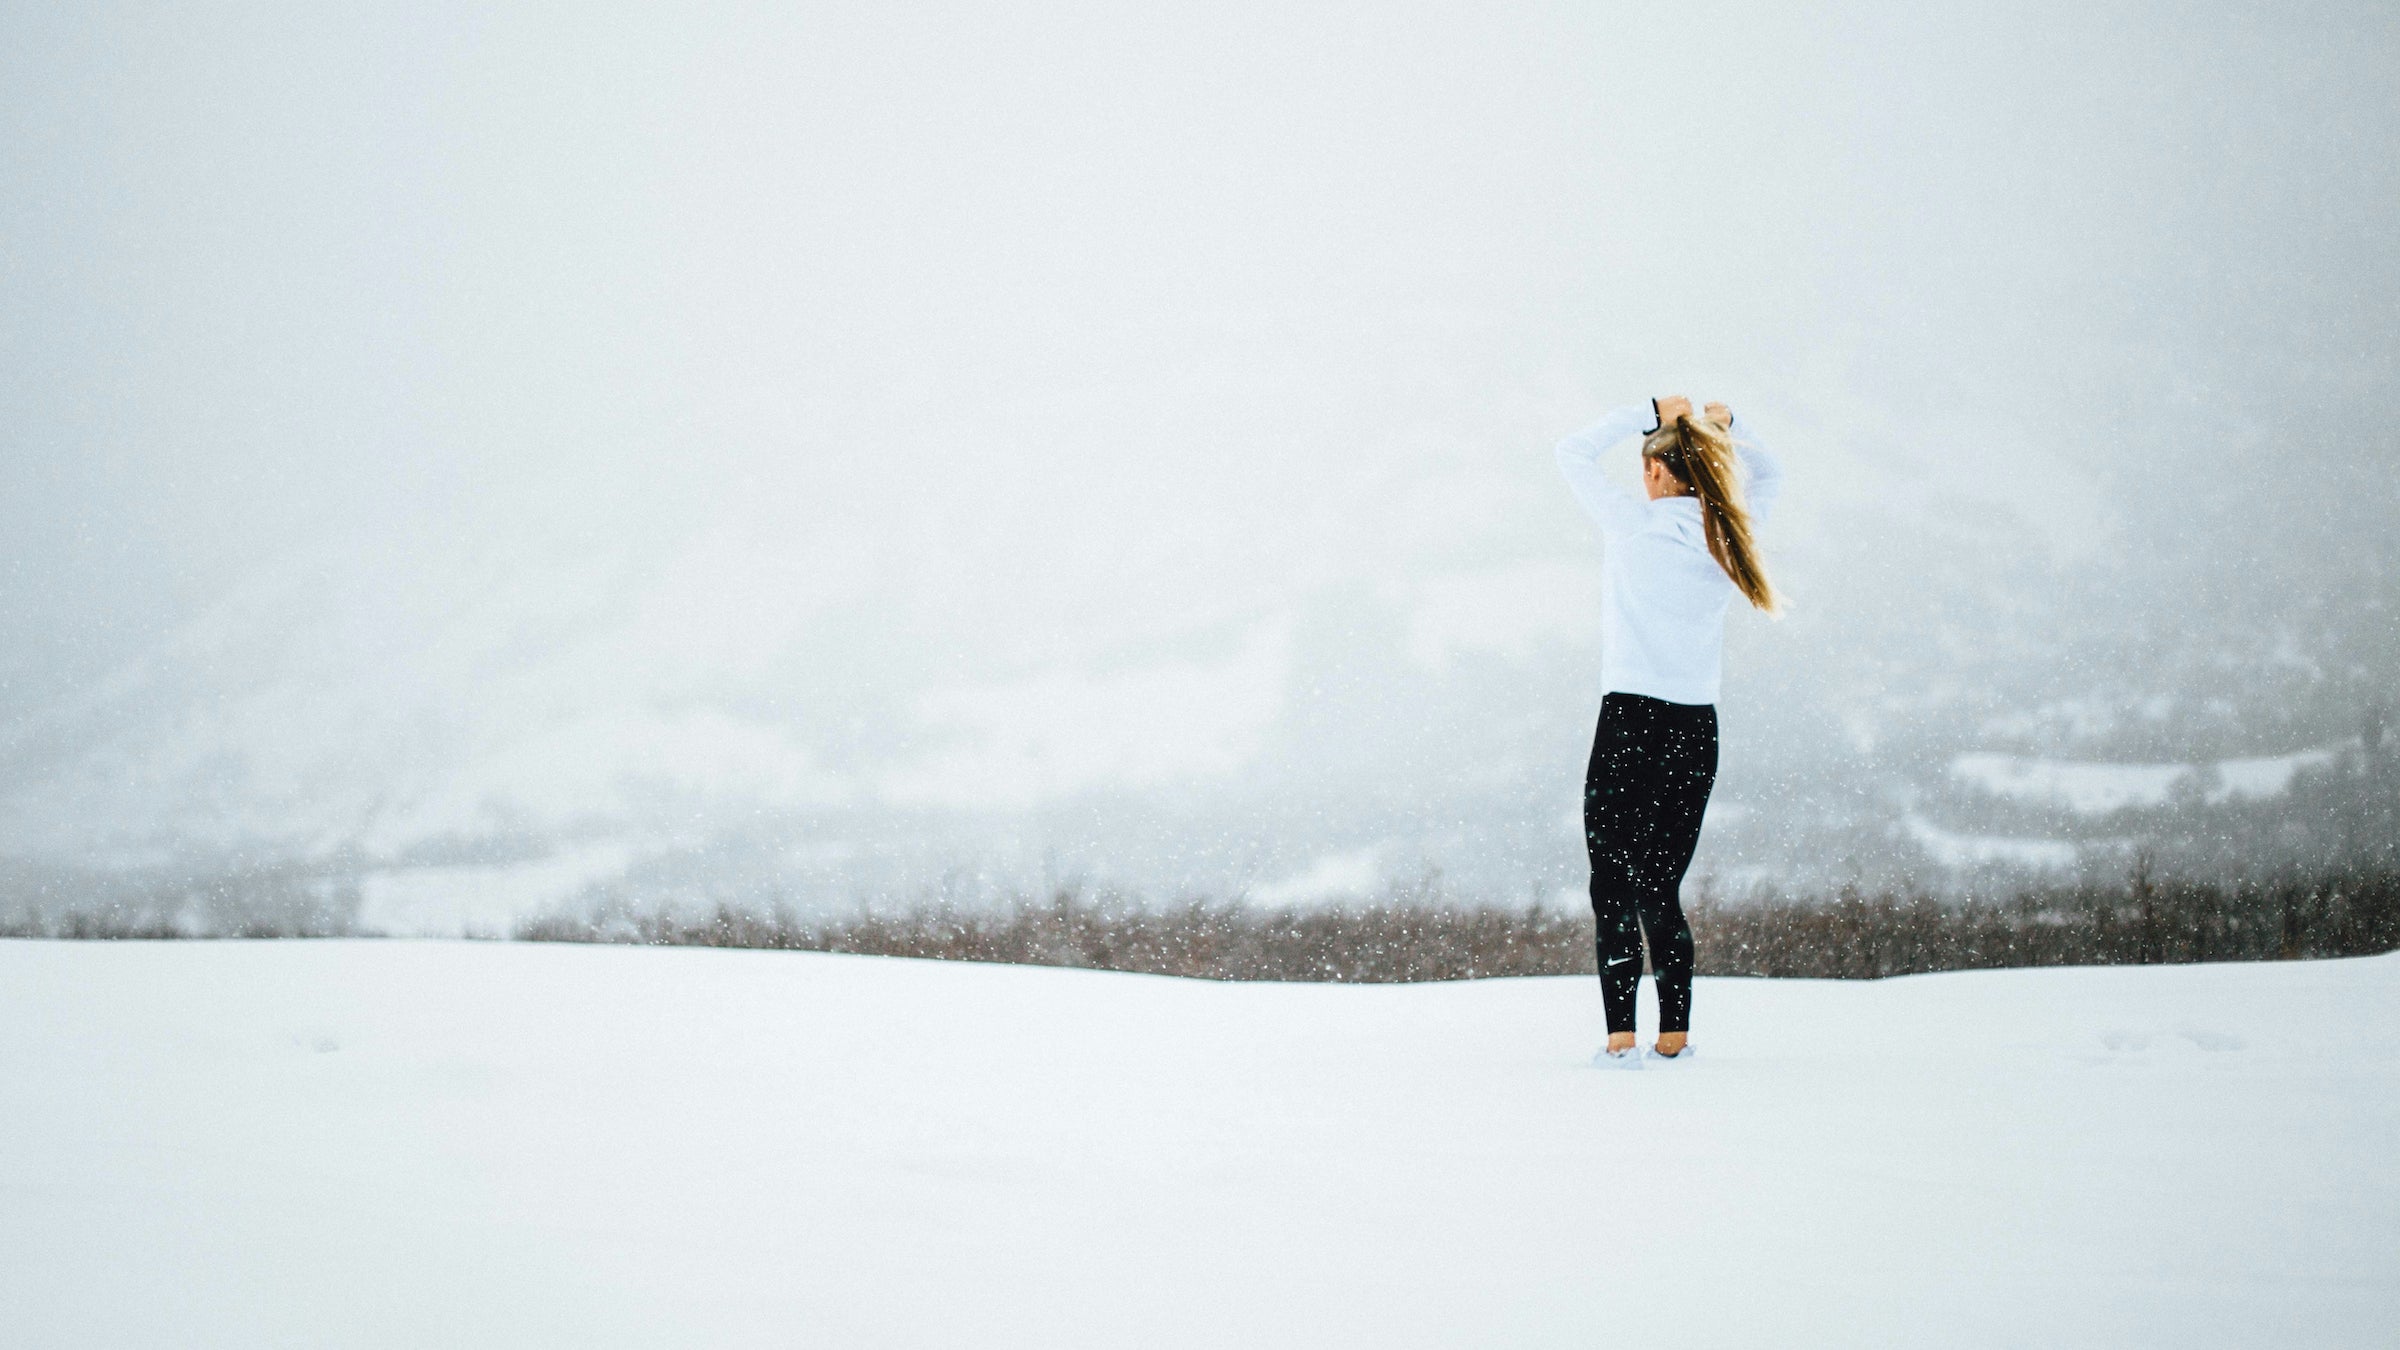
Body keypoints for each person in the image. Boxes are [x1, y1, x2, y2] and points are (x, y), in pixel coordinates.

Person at [1554, 394, 1782, 1067]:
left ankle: (1621, 1036)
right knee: (1660, 885)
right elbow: (1772, 476)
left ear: (1656, 475)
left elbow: (1569, 452)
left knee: (1613, 882)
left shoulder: (1632, 525)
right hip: (1694, 726)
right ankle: (1674, 1034)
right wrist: (1729, 424)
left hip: (1629, 719)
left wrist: (1647, 409)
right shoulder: (1726, 533)